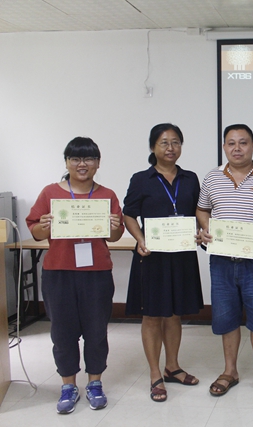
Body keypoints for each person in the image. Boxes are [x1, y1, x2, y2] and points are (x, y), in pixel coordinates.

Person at [26, 137, 124, 414]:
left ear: (98, 163)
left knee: (96, 331)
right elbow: (36, 231)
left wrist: (114, 226)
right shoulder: (50, 193)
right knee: (62, 332)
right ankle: (68, 385)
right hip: (59, 272)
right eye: (75, 159)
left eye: (89, 159)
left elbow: (115, 237)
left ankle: (95, 383)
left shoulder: (107, 195)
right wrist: (45, 225)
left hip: (96, 273)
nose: (82, 164)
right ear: (67, 162)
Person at [196, 124, 253, 398]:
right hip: (221, 261)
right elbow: (202, 209)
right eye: (231, 143)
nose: (237, 148)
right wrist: (206, 228)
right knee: (225, 316)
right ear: (224, 147)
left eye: (243, 142)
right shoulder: (212, 177)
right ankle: (229, 371)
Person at [123, 123, 204, 402]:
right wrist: (140, 239)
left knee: (174, 314)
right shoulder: (141, 179)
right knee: (152, 315)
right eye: (164, 142)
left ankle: (173, 366)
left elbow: (199, 212)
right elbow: (129, 214)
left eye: (176, 142)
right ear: (152, 147)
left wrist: (201, 231)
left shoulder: (190, 178)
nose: (171, 148)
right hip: (152, 256)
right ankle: (155, 373)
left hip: (181, 255)